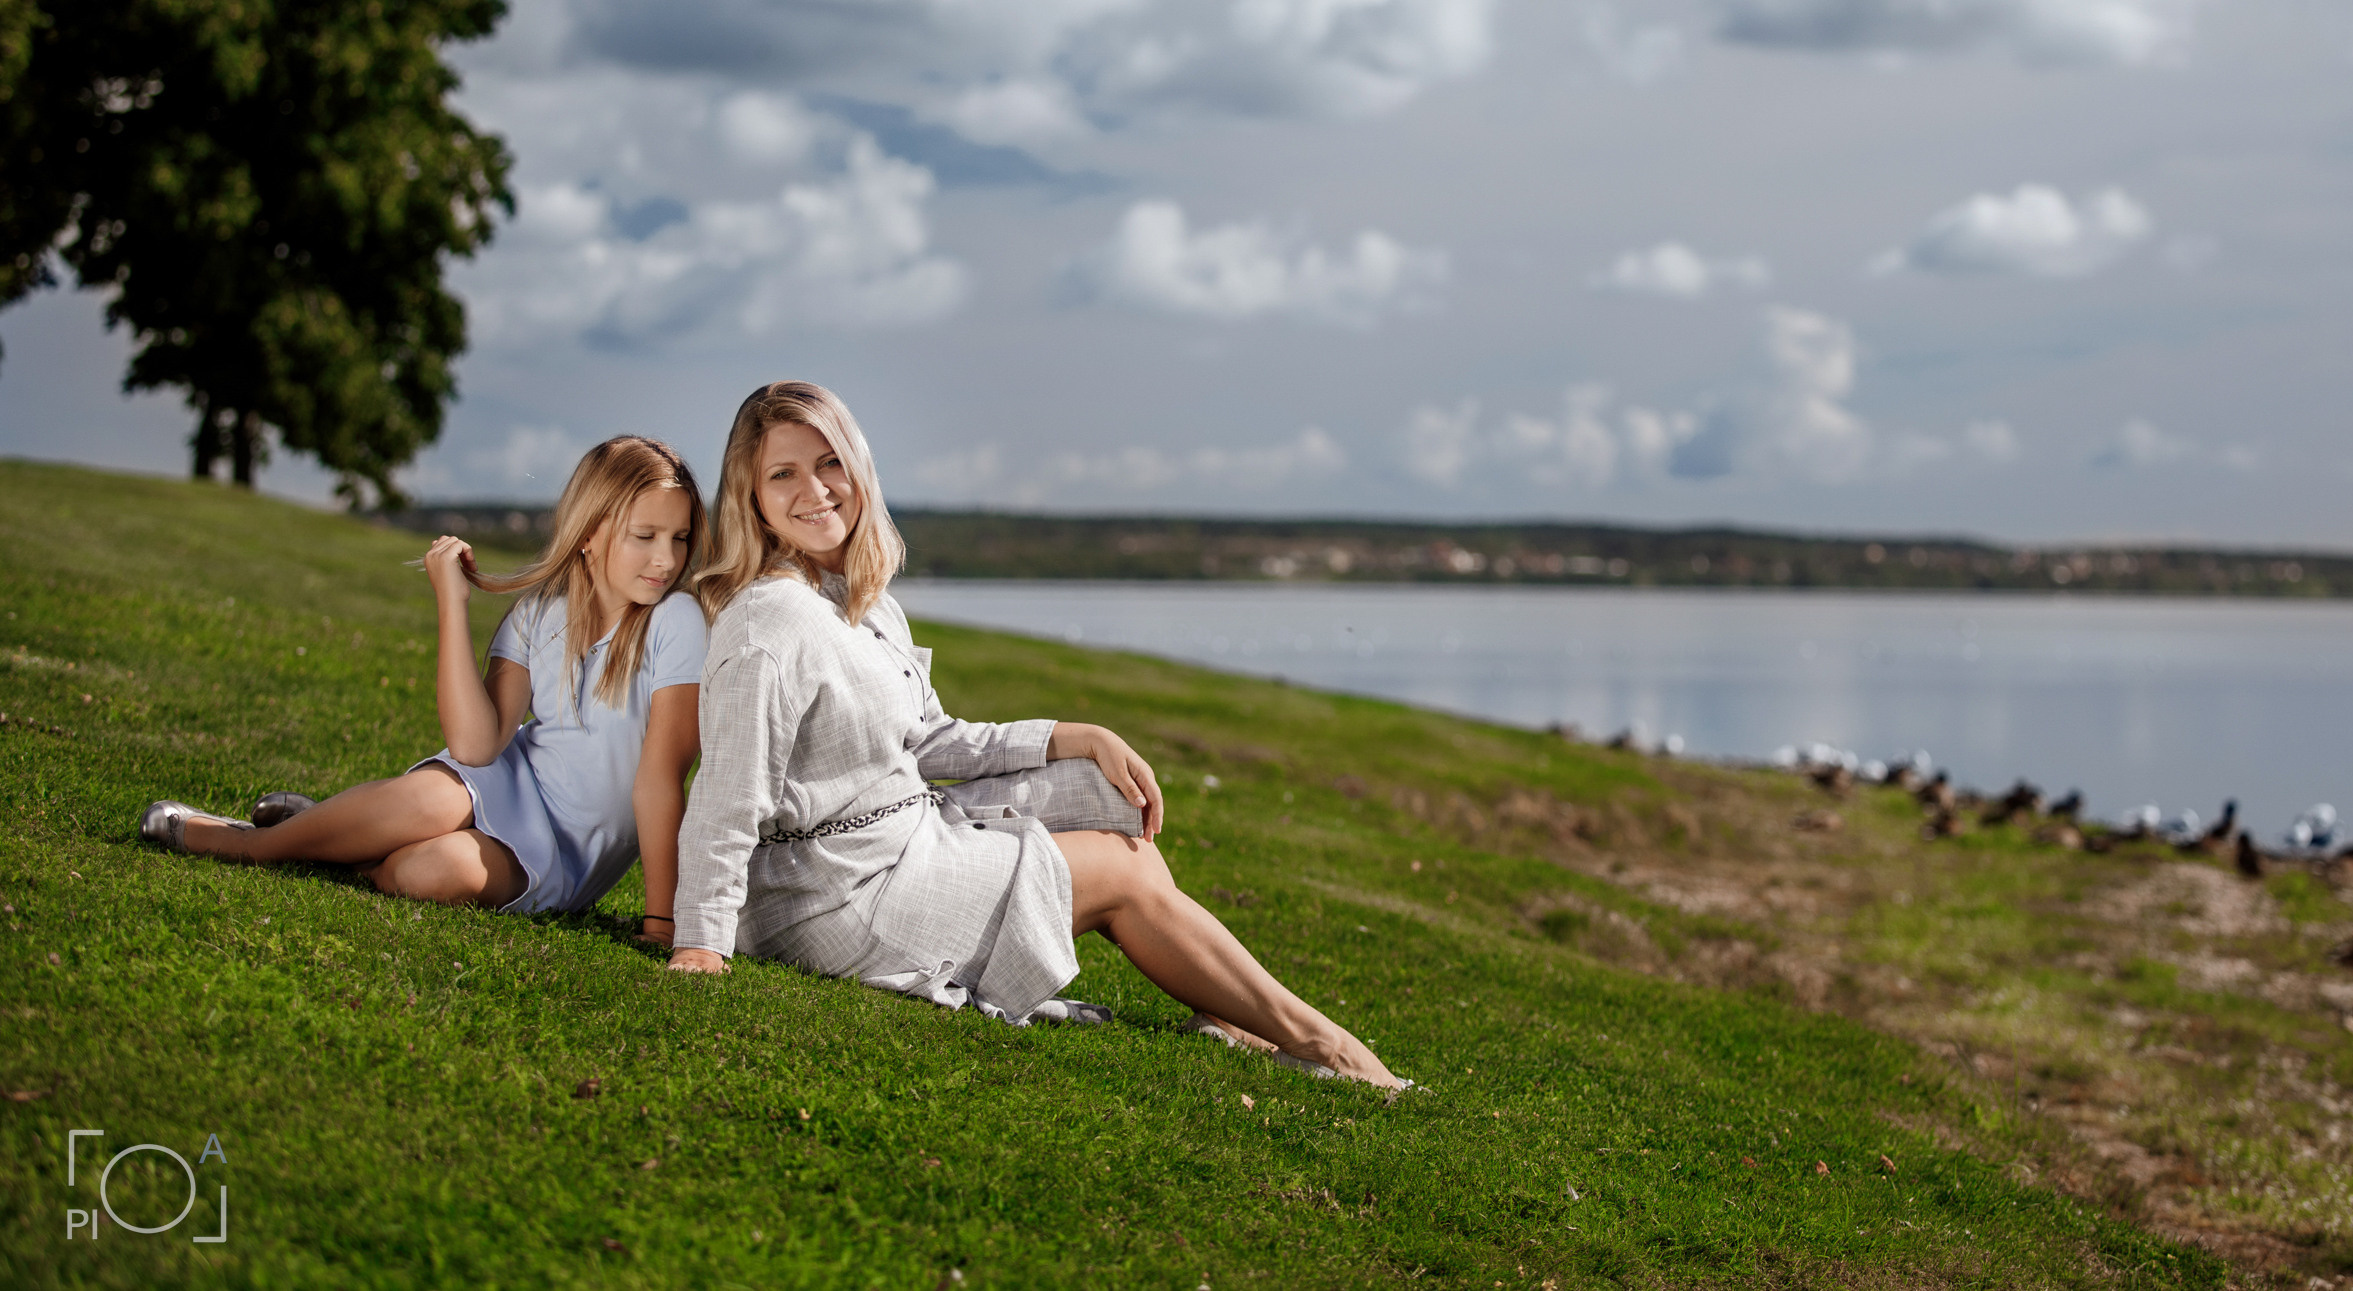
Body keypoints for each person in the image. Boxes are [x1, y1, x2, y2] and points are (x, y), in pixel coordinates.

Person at [666, 381, 1405, 1090]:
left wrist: (1073, 735)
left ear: (859, 468)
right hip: (837, 896)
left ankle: (1226, 1008)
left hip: (903, 837)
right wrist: (699, 940)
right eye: (783, 473)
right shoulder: (771, 621)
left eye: (830, 463)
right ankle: (1320, 1043)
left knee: (1098, 793)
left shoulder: (859, 597)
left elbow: (927, 739)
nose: (815, 489)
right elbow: (728, 795)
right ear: (751, 498)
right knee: (1125, 871)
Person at [141, 436, 709, 941]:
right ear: (590, 533)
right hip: (511, 782)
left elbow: (660, 779)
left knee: (425, 872)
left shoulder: (676, 621)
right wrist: (451, 603)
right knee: (434, 797)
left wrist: (662, 920)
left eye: (680, 538)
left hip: (560, 858)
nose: (667, 559)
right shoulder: (539, 614)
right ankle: (244, 845)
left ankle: (324, 835)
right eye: (646, 535)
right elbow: (477, 747)